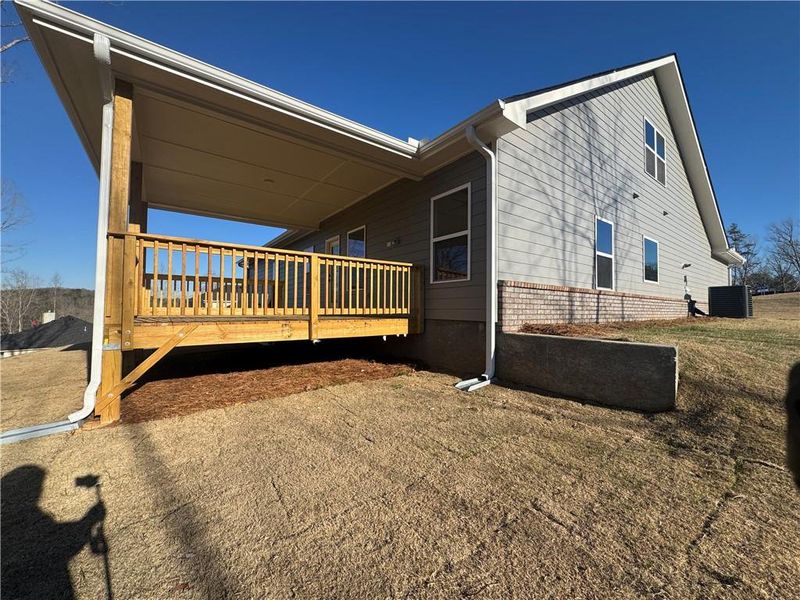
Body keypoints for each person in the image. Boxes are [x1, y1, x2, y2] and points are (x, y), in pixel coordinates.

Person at [1, 465, 106, 599]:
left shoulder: (19, 518)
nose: (40, 489)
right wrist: (88, 521)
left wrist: (87, 523)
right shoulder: (28, 519)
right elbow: (57, 544)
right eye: (39, 486)